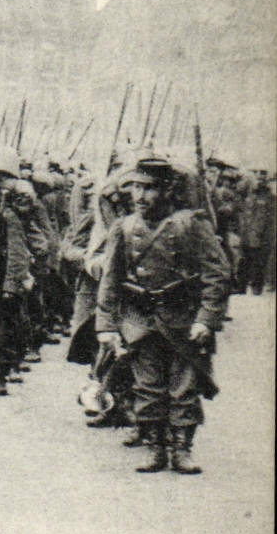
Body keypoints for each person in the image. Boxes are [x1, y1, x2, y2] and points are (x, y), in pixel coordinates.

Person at [96, 151, 231, 474]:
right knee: (147, 386)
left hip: (182, 319)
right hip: (140, 320)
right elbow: (111, 282)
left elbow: (218, 275)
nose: (140, 196)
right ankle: (154, 446)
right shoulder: (124, 228)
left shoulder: (191, 224)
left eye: (150, 188)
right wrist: (107, 325)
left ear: (168, 190)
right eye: (135, 188)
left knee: (184, 387)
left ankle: (182, 449)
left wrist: (206, 319)